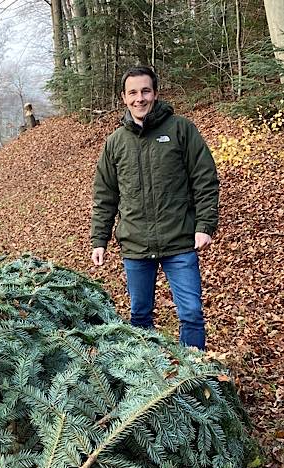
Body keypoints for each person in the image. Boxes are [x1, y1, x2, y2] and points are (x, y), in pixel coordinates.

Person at [91, 66, 219, 350]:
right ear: (124, 98)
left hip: (180, 242)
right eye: (133, 92)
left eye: (145, 91)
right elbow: (105, 194)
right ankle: (148, 381)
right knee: (140, 317)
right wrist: (99, 240)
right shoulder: (115, 142)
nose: (140, 98)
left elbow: (205, 178)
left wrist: (204, 226)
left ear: (155, 94)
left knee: (192, 315)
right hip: (135, 245)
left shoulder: (180, 129)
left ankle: (193, 378)